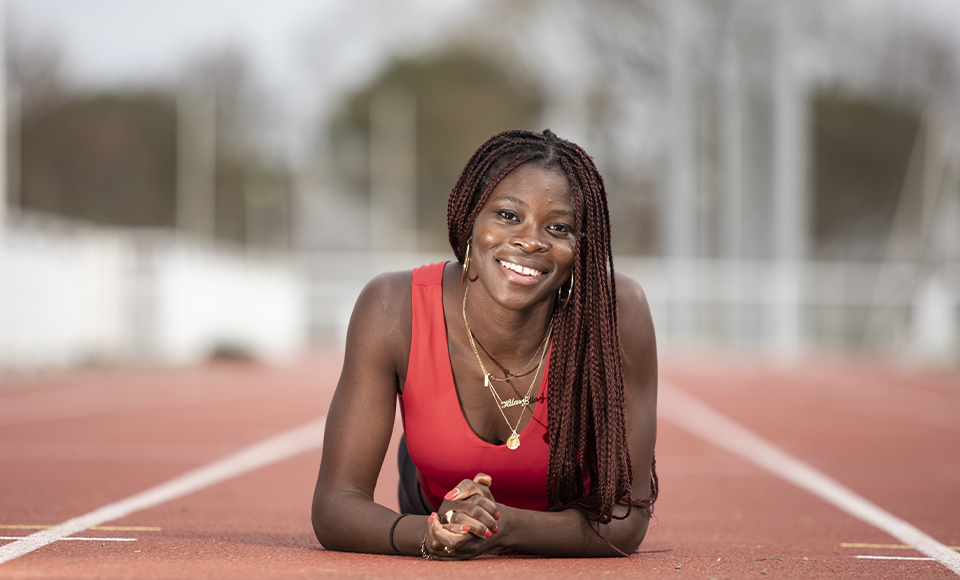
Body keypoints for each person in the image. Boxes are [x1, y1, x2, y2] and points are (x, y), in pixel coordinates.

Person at [311, 128, 658, 559]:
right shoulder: (391, 307)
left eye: (558, 227)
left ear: (581, 246)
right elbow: (335, 506)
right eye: (508, 216)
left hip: (568, 523)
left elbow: (626, 519)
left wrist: (504, 525)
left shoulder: (617, 314)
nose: (531, 240)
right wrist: (429, 533)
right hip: (435, 509)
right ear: (471, 219)